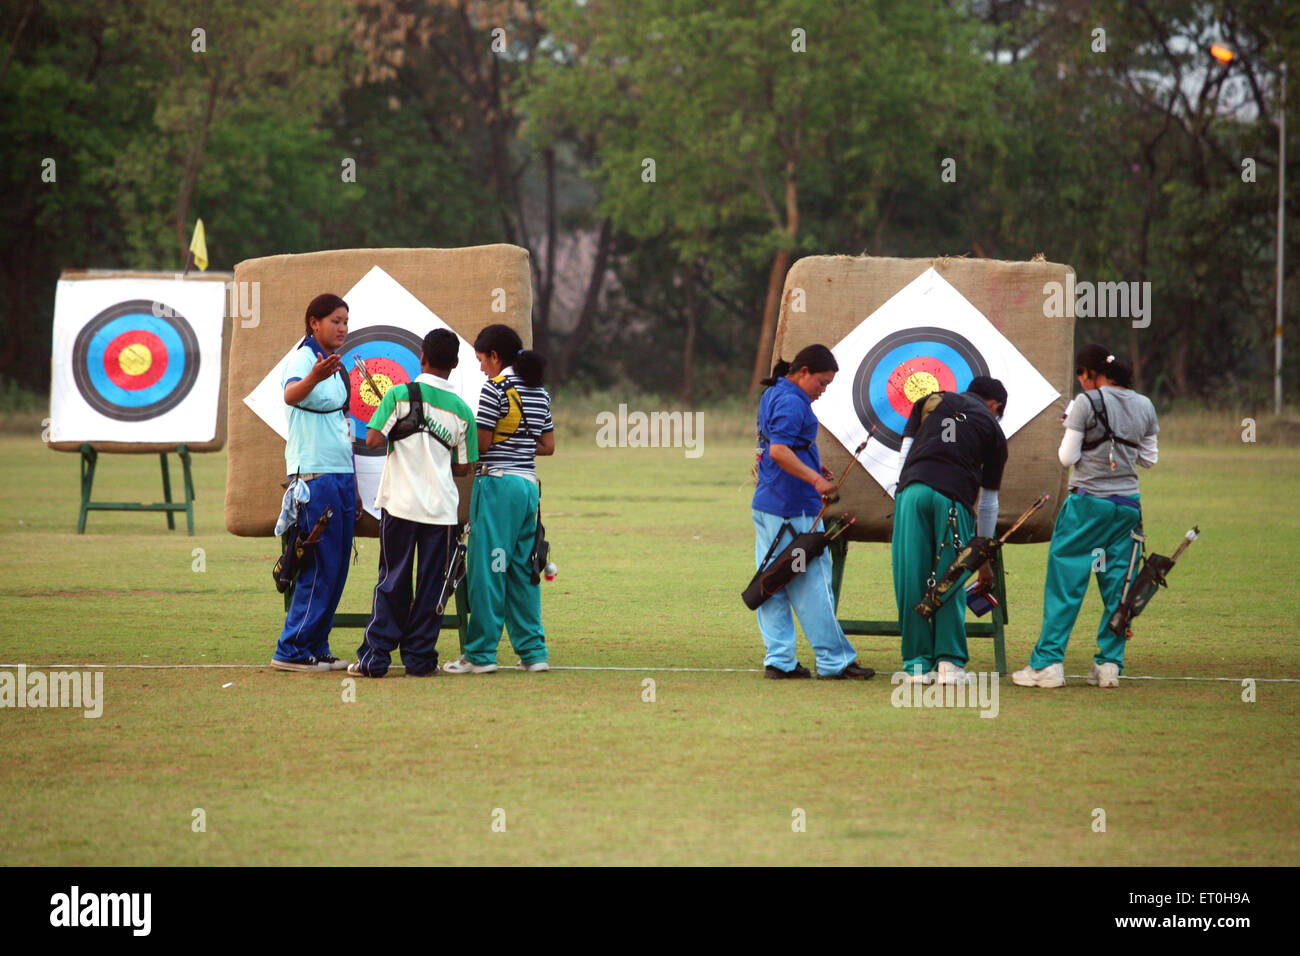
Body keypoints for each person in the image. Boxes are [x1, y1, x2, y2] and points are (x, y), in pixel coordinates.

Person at [1012, 345, 1159, 689]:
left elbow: (1067, 457)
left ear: (1092, 374)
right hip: (1127, 508)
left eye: (1083, 376)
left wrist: (1072, 426)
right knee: (1119, 586)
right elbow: (1149, 459)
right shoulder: (1145, 405)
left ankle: (1047, 664)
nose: (1082, 382)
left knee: (1066, 583)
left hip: (1087, 504)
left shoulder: (1084, 403)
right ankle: (1108, 666)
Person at [349, 329, 478, 678]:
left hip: (401, 505)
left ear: (422, 358)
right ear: (453, 364)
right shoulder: (462, 410)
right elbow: (463, 467)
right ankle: (420, 660)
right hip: (441, 510)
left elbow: (373, 439)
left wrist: (397, 427)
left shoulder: (399, 394)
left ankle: (375, 659)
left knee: (393, 580)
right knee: (432, 584)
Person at [752, 345, 875, 680]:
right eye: (822, 383)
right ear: (802, 371)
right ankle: (834, 662)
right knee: (812, 583)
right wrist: (815, 479)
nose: (823, 391)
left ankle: (779, 661)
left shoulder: (775, 392)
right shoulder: (793, 401)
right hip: (792, 509)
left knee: (772, 581)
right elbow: (778, 450)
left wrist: (810, 461)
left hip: (768, 505)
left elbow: (781, 442)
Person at [443, 324, 555, 674]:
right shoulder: (540, 392)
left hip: (496, 487)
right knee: (524, 569)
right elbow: (548, 447)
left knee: (489, 568)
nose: (480, 368)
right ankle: (534, 654)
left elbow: (485, 446)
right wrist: (520, 445)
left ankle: (479, 655)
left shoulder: (495, 389)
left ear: (495, 356)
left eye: (481, 360)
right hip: (527, 488)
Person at [891, 376, 1009, 686]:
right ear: (996, 406)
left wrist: (903, 493)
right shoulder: (993, 429)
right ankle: (949, 663)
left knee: (911, 578)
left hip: (911, 492)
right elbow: (988, 504)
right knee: (950, 579)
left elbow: (904, 455)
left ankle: (916, 665)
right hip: (953, 500)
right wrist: (980, 556)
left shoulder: (930, 400)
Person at [272, 293, 358, 672]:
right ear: (314, 323)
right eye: (335, 321)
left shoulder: (334, 365)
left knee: (337, 566)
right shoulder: (304, 358)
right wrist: (313, 377)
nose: (342, 328)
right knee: (318, 566)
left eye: (345, 321)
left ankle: (316, 645)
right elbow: (291, 394)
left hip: (340, 473)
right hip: (314, 475)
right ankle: (290, 650)